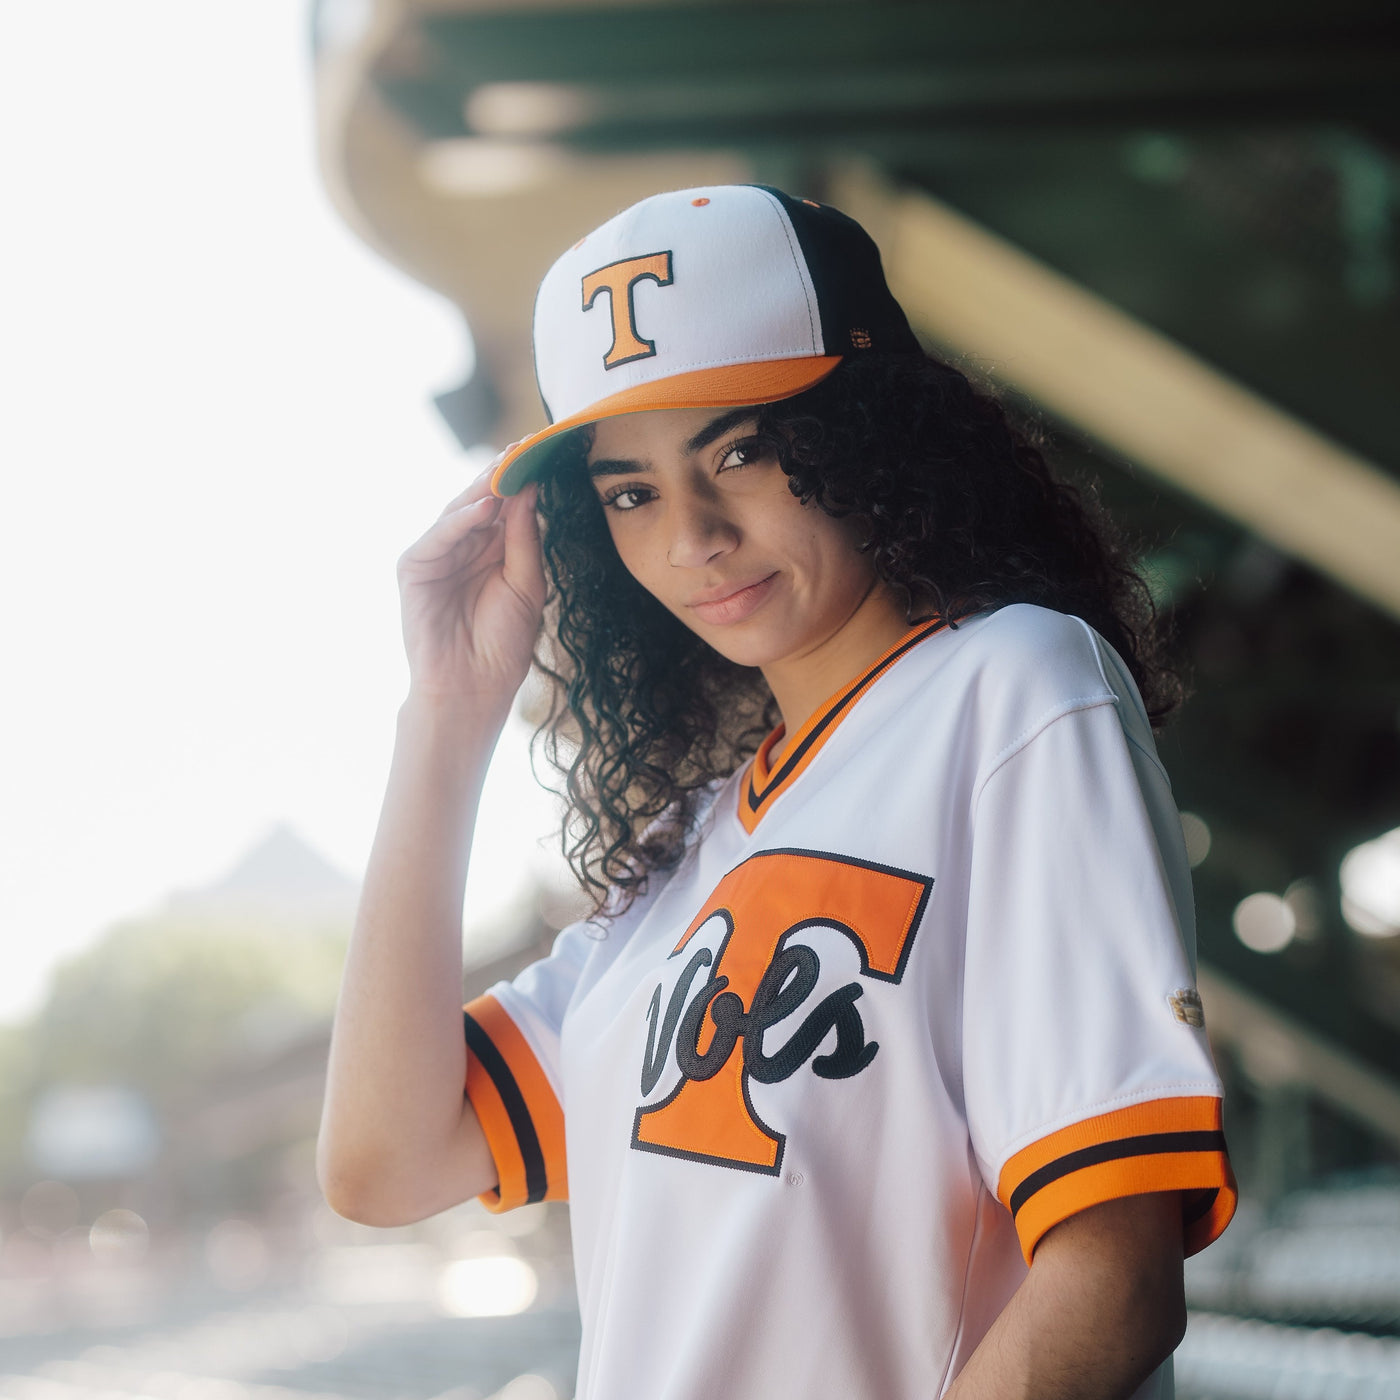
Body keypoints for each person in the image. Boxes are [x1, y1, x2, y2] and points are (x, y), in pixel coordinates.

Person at [317, 185, 1236, 1400]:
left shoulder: (1011, 685)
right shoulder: (684, 855)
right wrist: (445, 718)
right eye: (629, 491)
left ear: (873, 432)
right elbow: (385, 1162)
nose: (690, 534)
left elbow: (1112, 1278)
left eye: (739, 450)